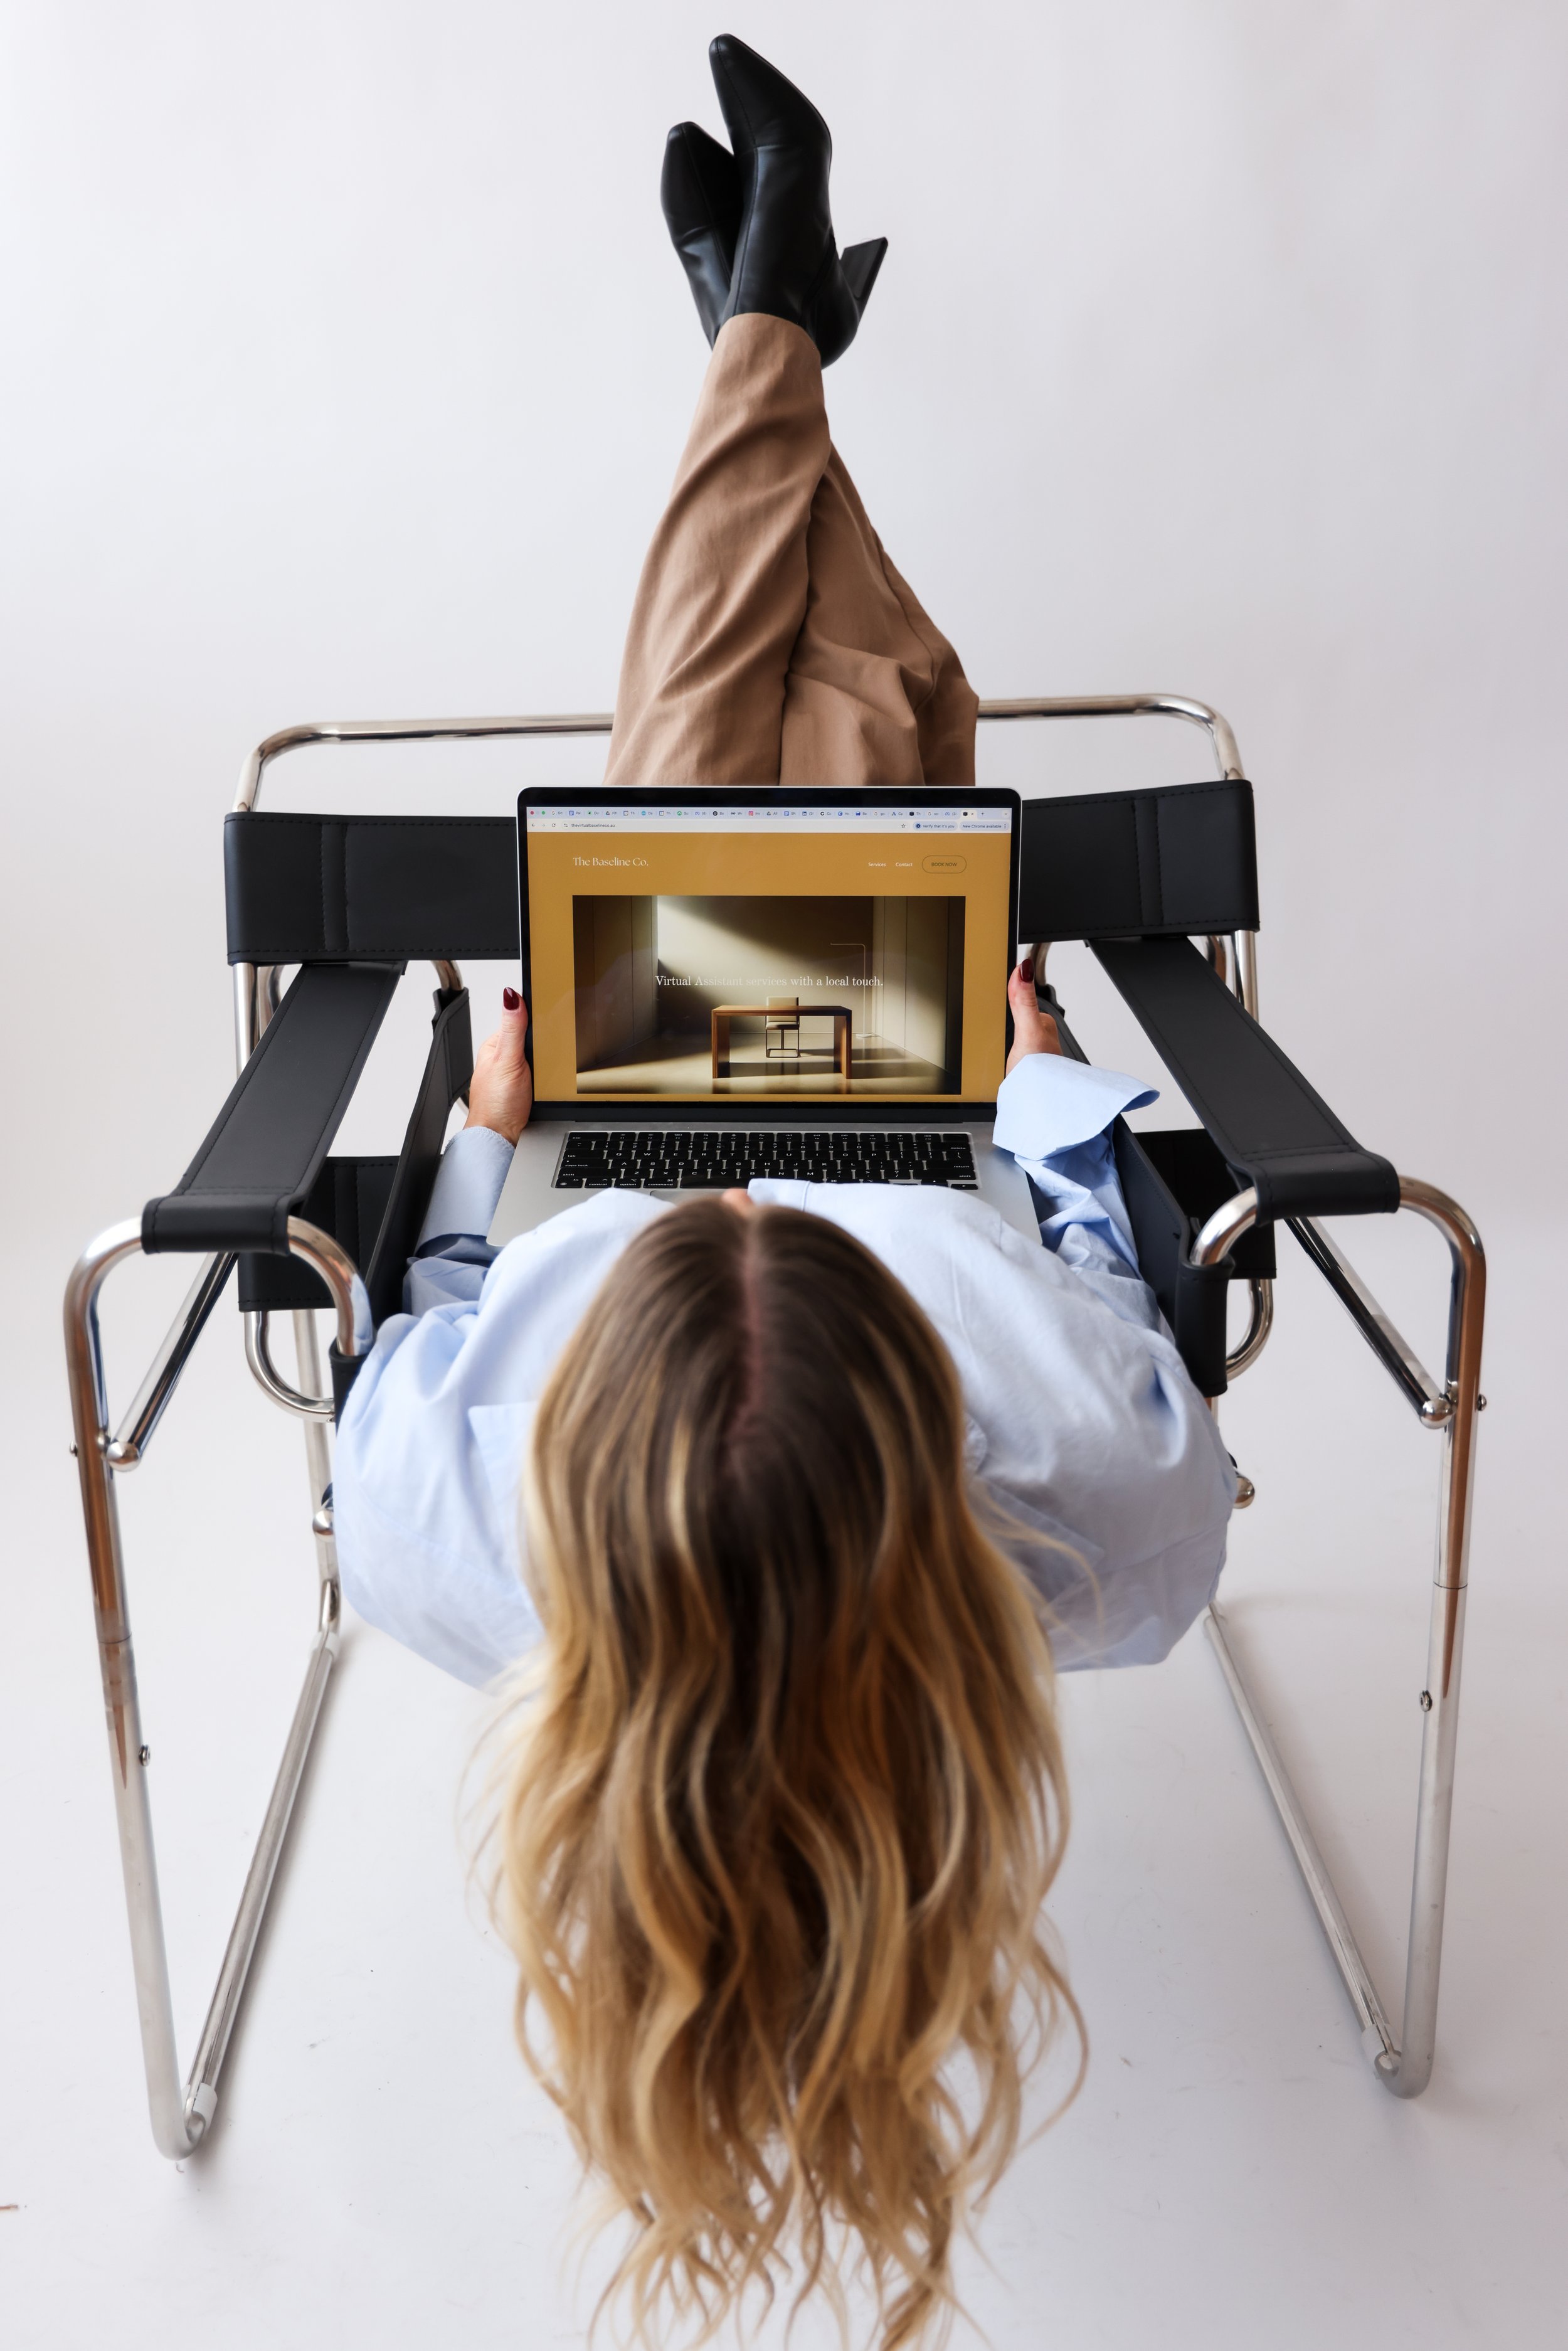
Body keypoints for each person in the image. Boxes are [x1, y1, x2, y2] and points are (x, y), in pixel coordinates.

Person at [332, 35, 1235, 2351]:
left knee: (772, 747)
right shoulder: (1095, 1470)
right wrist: (1033, 1100)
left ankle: (769, 329)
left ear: (612, 1368)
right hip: (900, 1104)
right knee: (846, 735)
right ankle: (766, 327)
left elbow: (423, 1314)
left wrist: (508, 1129)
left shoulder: (451, 1519)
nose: (746, 1211)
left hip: (651, 1089)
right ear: (917, 1421)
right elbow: (1126, 1315)